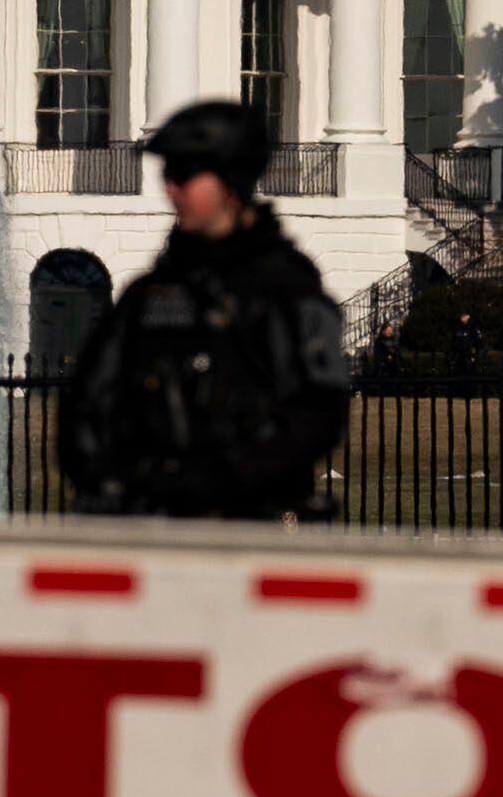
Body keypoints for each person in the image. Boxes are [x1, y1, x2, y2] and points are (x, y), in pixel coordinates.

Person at [56, 99, 353, 519]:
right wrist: (106, 479)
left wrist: (223, 480)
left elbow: (318, 413)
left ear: (230, 182)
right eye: (168, 175)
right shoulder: (151, 293)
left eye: (183, 175)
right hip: (152, 522)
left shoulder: (285, 290)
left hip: (251, 522)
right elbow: (88, 399)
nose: (169, 189)